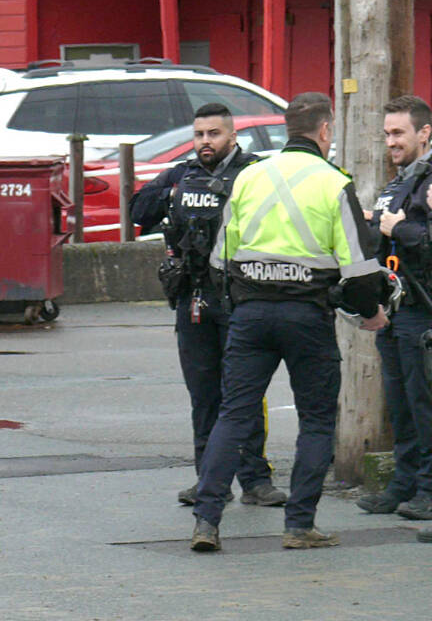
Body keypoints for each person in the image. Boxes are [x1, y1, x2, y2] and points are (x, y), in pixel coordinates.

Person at [190, 92, 389, 552]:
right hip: (306, 316)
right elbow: (359, 269)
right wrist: (371, 314)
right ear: (325, 131)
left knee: (233, 416)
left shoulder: (250, 177)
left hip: (251, 314)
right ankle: (299, 526)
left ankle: (206, 522)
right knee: (317, 420)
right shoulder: (333, 182)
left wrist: (244, 299)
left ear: (286, 130)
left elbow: (221, 258)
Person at [132, 104, 286, 508]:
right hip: (193, 297)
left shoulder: (254, 172)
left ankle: (255, 479)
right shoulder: (182, 174)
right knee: (203, 393)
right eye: (199, 134)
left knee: (244, 391)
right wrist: (173, 194)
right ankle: (208, 478)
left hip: (239, 296)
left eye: (214, 134)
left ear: (232, 137)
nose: (205, 142)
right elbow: (138, 210)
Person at [355, 96, 432, 522]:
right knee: (399, 403)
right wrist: (372, 223)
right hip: (396, 308)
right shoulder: (400, 181)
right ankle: (404, 483)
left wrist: (396, 226)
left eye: (399, 133)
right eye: (387, 134)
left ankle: (428, 487)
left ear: (424, 132)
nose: (391, 142)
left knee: (424, 403)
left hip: (423, 308)